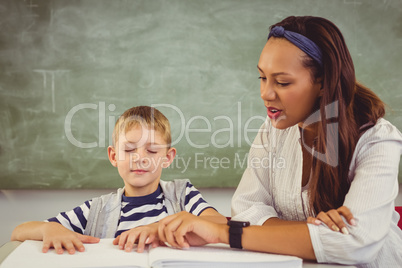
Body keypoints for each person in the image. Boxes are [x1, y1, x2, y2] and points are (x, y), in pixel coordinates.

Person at [157, 16, 402, 267]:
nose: (266, 93)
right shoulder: (273, 129)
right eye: (262, 78)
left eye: (282, 82)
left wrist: (224, 233)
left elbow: (355, 244)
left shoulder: (378, 139)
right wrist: (308, 234)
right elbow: (246, 208)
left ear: (322, 82)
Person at [11, 106, 225, 254]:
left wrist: (159, 228)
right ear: (114, 156)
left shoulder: (183, 195)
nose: (139, 157)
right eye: (129, 149)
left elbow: (220, 223)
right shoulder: (95, 210)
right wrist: (49, 229)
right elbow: (19, 232)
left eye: (151, 150)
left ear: (167, 158)